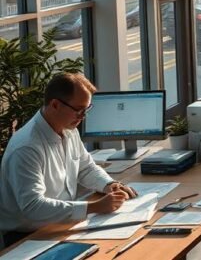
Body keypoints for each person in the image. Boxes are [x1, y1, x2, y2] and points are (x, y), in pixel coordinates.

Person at [0, 73, 138, 247]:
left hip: (63, 224)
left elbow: (85, 167)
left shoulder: (68, 129)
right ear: (55, 105)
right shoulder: (27, 147)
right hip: (27, 238)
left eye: (86, 110)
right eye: (78, 110)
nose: (82, 117)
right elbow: (33, 206)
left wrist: (108, 184)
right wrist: (94, 207)